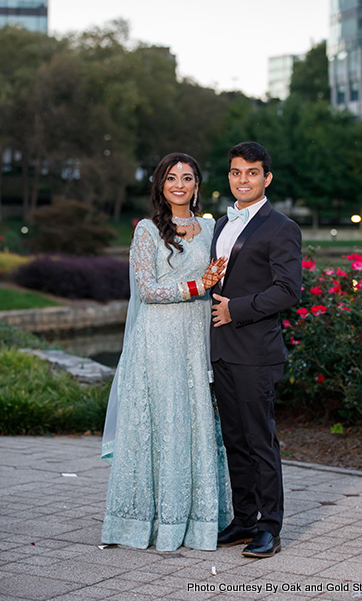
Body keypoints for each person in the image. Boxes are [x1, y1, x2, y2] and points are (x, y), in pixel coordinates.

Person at [101, 152, 232, 552]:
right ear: (160, 184)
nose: (179, 184)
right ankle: (147, 523)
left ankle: (199, 522)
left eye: (187, 177)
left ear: (197, 185)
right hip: (157, 342)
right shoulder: (147, 231)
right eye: (171, 177)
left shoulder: (212, 229)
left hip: (196, 340)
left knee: (194, 424)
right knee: (162, 425)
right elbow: (147, 290)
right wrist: (197, 285)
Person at [210, 141, 302, 558]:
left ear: (266, 178)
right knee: (234, 439)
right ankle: (244, 518)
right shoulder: (220, 225)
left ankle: (270, 527)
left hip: (256, 350)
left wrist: (237, 310)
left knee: (260, 440)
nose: (242, 179)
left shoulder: (281, 227)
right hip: (222, 351)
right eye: (235, 172)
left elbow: (288, 290)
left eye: (251, 172)